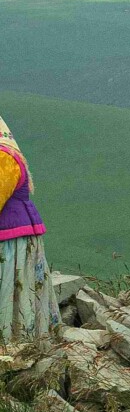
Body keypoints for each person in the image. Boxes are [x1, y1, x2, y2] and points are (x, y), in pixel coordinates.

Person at [0, 115, 61, 343]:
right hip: (10, 238)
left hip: (11, 243)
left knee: (13, 293)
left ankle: (16, 345)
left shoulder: (4, 159)